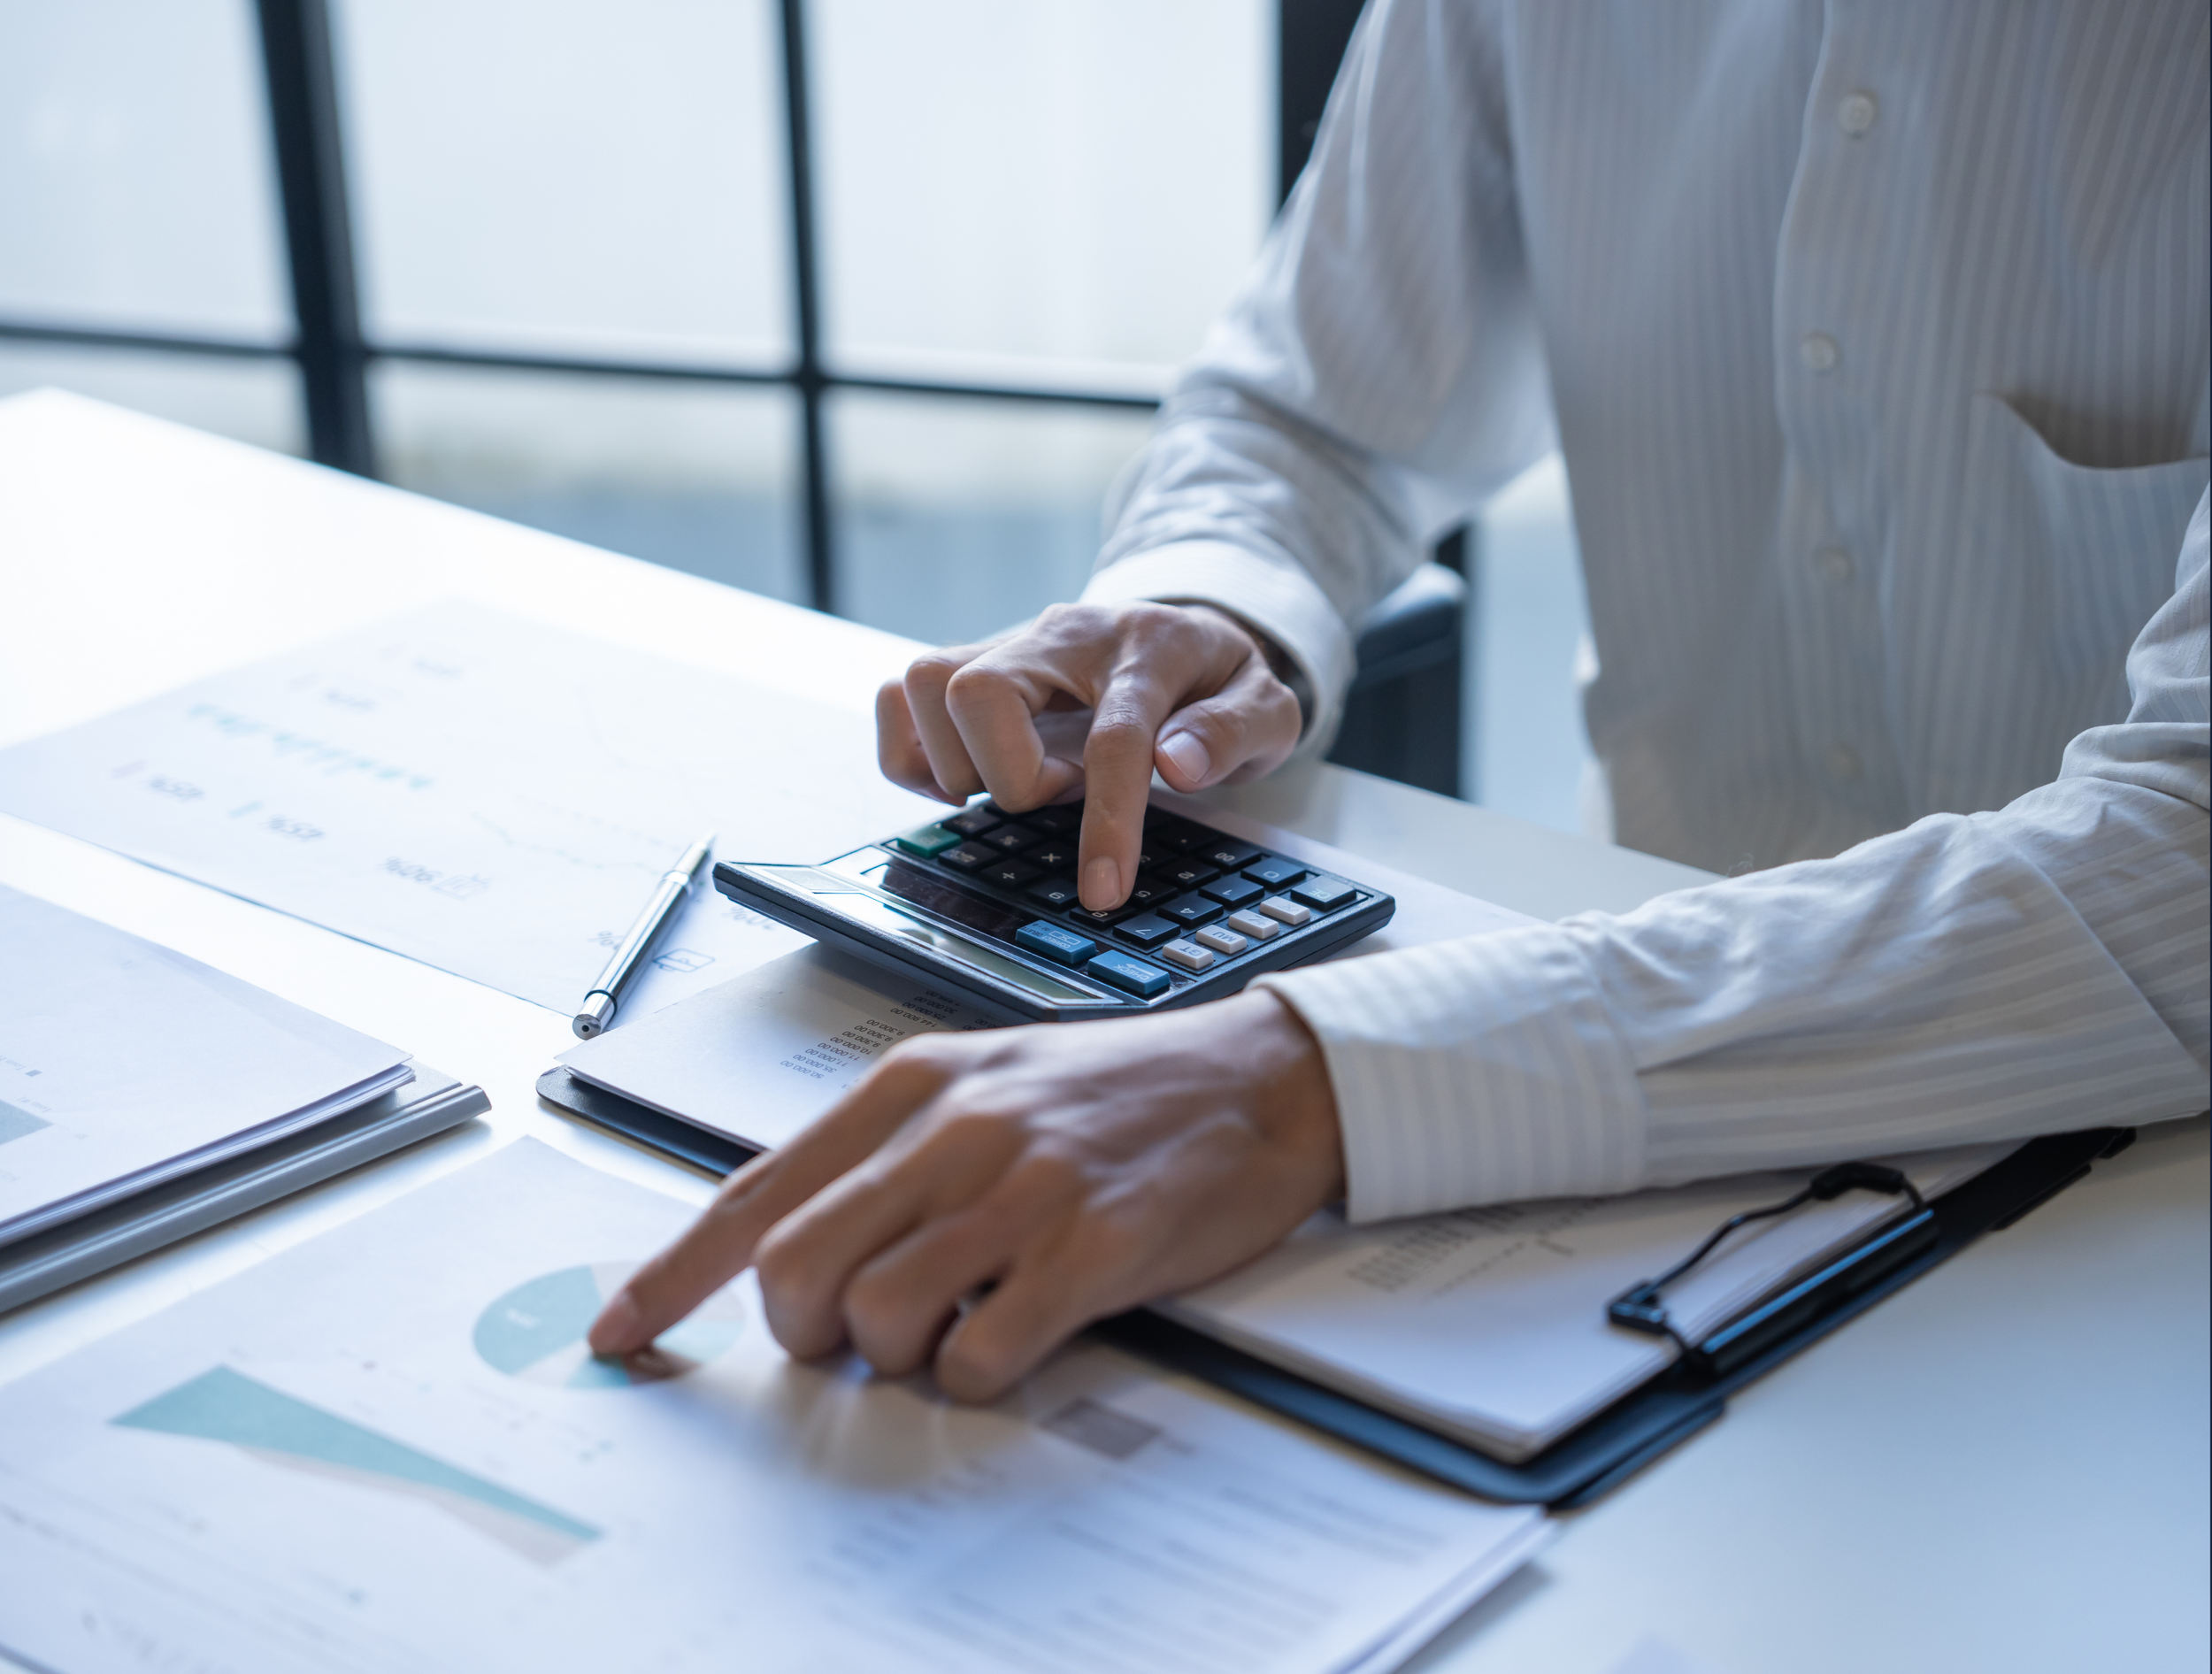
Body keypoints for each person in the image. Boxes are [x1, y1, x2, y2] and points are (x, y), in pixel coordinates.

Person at [592, 0, 2210, 1400]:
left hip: (2140, 1204)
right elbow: (1321, 412)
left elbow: (2191, 849)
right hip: (1616, 1115)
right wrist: (1212, 598)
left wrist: (1314, 1079)